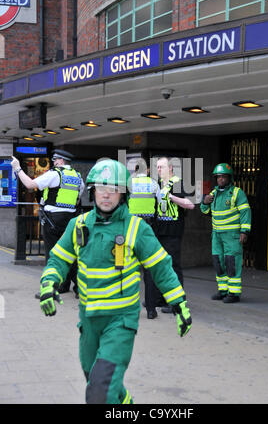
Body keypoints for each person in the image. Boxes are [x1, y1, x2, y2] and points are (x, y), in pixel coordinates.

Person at [38, 159, 192, 404]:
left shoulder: (137, 228)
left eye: (113, 190)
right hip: (88, 322)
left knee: (99, 392)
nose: (106, 195)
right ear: (92, 191)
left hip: (120, 322)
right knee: (100, 383)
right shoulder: (78, 225)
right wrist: (48, 284)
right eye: (101, 189)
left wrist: (179, 303)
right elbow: (58, 259)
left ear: (123, 194)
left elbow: (161, 267)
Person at [11, 149, 84, 297]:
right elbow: (77, 198)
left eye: (55, 160)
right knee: (70, 252)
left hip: (53, 220)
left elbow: (30, 184)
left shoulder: (55, 174)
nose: (54, 163)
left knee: (52, 255)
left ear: (61, 161)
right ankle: (77, 287)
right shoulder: (78, 177)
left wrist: (17, 168)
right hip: (70, 220)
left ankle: (51, 288)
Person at [200, 163, 251, 303]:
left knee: (231, 263)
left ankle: (234, 293)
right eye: (218, 177)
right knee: (218, 262)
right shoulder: (213, 194)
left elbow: (245, 212)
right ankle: (223, 290)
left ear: (230, 178)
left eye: (223, 177)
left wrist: (244, 231)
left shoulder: (236, 193)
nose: (221, 179)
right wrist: (204, 202)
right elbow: (205, 212)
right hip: (216, 235)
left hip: (232, 236)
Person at [154, 156, 195, 313]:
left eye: (161, 167)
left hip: (173, 232)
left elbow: (190, 204)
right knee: (159, 266)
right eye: (157, 167)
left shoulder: (177, 183)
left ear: (170, 168)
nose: (158, 170)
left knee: (173, 267)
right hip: (160, 231)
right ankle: (160, 299)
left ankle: (177, 303)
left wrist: (171, 196)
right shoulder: (158, 185)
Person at [128, 161, 162, 319]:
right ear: (147, 170)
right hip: (148, 228)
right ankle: (151, 309)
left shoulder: (130, 183)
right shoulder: (153, 183)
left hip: (131, 227)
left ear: (135, 171)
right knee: (149, 269)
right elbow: (161, 205)